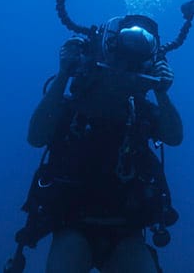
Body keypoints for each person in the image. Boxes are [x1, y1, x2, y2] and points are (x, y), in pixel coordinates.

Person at [25, 15, 183, 273]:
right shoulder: (75, 106)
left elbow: (174, 137)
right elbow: (36, 137)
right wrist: (64, 74)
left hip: (127, 228)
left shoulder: (140, 111)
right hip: (73, 222)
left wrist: (162, 93)